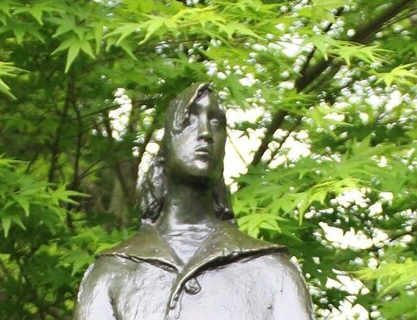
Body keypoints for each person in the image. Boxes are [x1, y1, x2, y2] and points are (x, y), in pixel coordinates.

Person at [74, 83, 314, 319]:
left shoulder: (274, 272)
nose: (205, 133)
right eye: (188, 121)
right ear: (166, 146)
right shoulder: (110, 273)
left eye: (216, 123)